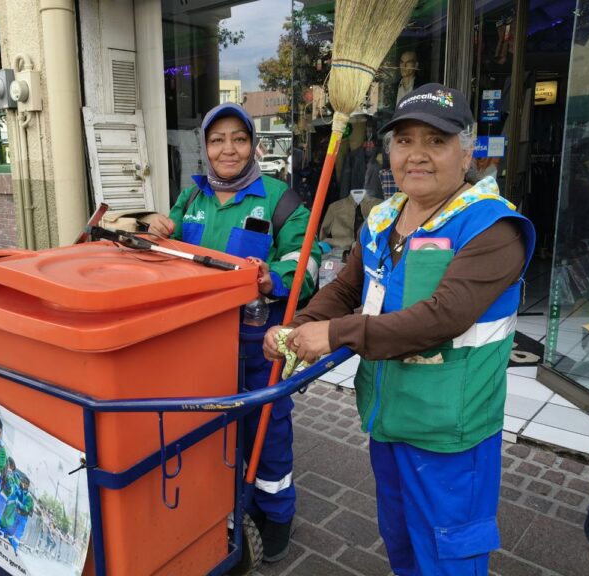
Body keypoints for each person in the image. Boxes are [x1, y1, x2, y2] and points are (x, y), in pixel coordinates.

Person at [264, 83, 535, 575]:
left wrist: (337, 334)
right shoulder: (384, 219)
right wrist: (300, 326)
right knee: (402, 549)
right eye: (405, 141)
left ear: (468, 149)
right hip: (388, 422)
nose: (417, 155)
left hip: (451, 435)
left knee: (448, 561)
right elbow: (346, 289)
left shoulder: (492, 228)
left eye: (436, 141)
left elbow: (441, 318)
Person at [144, 102, 320, 562]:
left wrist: (271, 276)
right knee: (212, 430)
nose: (229, 149)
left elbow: (310, 264)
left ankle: (276, 513)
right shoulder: (191, 198)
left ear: (253, 145)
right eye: (217, 140)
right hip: (198, 344)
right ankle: (225, 505)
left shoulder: (281, 199)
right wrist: (156, 230)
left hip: (258, 345)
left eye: (238, 139)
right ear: (204, 147)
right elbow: (162, 257)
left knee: (267, 432)